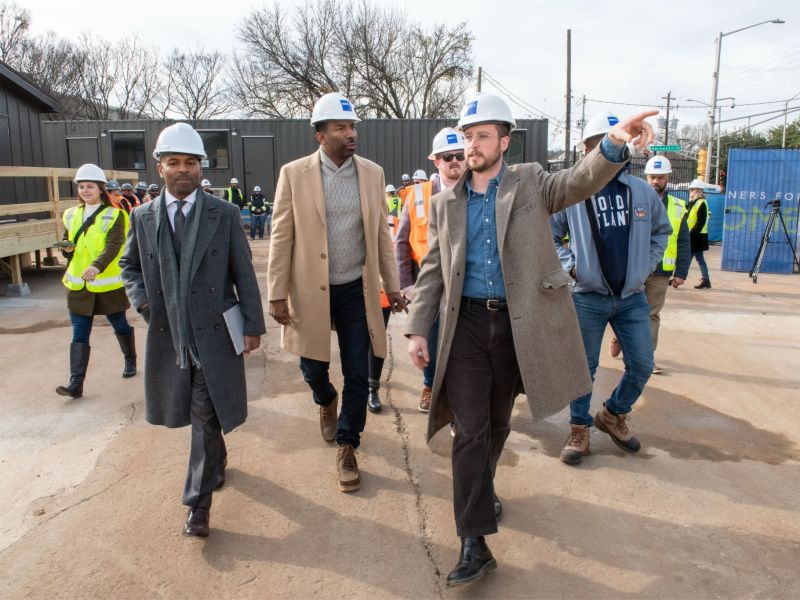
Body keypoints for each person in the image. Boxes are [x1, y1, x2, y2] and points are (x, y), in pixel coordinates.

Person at [406, 93, 656, 587]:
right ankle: (473, 541)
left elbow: (580, 180)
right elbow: (434, 268)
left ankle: (482, 488)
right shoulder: (444, 203)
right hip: (468, 327)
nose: (470, 145)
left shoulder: (531, 183)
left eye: (481, 136)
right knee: (470, 429)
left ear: (503, 141)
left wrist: (614, 143)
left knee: (497, 424)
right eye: (466, 136)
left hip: (519, 326)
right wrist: (417, 327)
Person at [119, 123, 266, 538]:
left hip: (215, 332)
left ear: (202, 168)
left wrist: (253, 325)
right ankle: (216, 462)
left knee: (204, 413)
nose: (183, 170)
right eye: (174, 162)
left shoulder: (225, 213)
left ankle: (197, 506)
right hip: (171, 333)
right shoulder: (142, 216)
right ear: (160, 167)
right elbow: (130, 266)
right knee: (201, 413)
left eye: (191, 162)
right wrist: (144, 302)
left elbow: (243, 272)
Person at [267, 92, 406, 493]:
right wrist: (277, 292)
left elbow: (381, 234)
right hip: (309, 288)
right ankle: (325, 399)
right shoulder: (294, 174)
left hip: (355, 291)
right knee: (312, 367)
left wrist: (391, 286)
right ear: (320, 135)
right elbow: (281, 235)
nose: (350, 134)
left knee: (358, 372)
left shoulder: (372, 174)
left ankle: (348, 444)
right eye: (341, 128)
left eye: (353, 127)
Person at [550, 111, 671, 468]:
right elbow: (550, 234)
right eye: (601, 142)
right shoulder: (571, 192)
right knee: (582, 369)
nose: (611, 149)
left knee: (642, 365)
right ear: (588, 149)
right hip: (587, 297)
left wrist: (644, 267)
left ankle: (613, 414)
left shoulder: (641, 192)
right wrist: (570, 266)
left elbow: (660, 233)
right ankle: (579, 428)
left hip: (631, 298)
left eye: (618, 140)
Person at [396, 126, 465, 413]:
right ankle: (429, 385)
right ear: (436, 161)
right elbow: (400, 242)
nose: (454, 162)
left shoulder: (477, 190)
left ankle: (457, 395)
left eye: (459, 155)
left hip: (464, 286)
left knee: (462, 347)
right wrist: (407, 284)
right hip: (428, 288)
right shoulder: (417, 195)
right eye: (446, 156)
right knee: (431, 344)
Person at [56, 163, 136, 399]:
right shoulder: (70, 215)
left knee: (119, 325)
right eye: (81, 186)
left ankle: (130, 360)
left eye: (90, 186)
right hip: (78, 285)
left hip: (107, 285)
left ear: (101, 188)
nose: (85, 190)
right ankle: (76, 383)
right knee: (79, 333)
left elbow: (114, 245)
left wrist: (97, 266)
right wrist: (67, 249)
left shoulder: (116, 214)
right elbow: (67, 243)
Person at [607, 155, 690, 375]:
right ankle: (619, 336)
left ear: (667, 178)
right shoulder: (631, 198)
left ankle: (646, 358)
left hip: (661, 271)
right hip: (633, 268)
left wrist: (681, 271)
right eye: (652, 177)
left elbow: (683, 240)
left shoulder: (678, 207)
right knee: (626, 311)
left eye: (660, 178)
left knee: (651, 314)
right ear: (646, 176)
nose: (655, 182)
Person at [365, 184, 405, 414]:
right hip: (355, 291)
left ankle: (373, 387)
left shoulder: (396, 224)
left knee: (376, 341)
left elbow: (402, 256)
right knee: (356, 341)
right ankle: (360, 383)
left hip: (383, 293)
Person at [687, 179, 711, 289]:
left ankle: (678, 277)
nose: (690, 192)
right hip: (695, 236)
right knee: (698, 259)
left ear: (697, 191)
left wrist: (692, 234)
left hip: (696, 236)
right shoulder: (694, 203)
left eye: (692, 190)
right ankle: (706, 280)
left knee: (688, 258)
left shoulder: (701, 203)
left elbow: (700, 222)